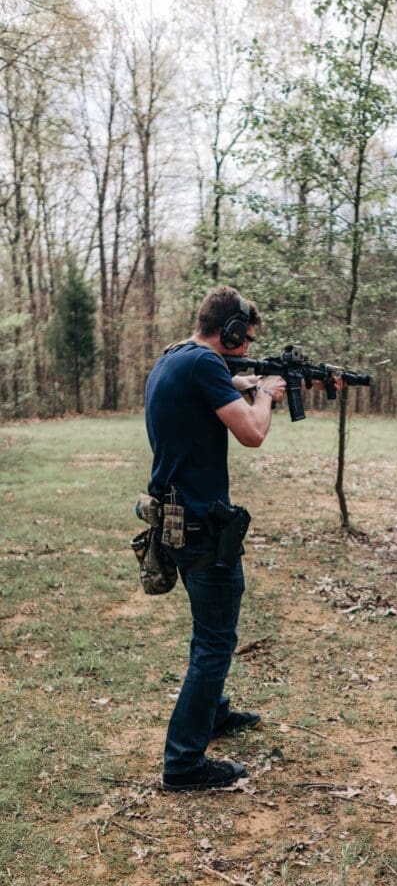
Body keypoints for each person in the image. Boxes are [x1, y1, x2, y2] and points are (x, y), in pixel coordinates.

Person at [144, 285, 286, 792]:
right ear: (227, 332)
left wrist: (245, 380)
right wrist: (265, 393)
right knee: (216, 639)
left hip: (177, 518)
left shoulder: (174, 359)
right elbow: (252, 433)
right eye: (243, 339)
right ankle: (183, 763)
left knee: (211, 631)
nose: (246, 347)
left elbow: (210, 391)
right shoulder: (204, 366)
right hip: (202, 524)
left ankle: (215, 713)